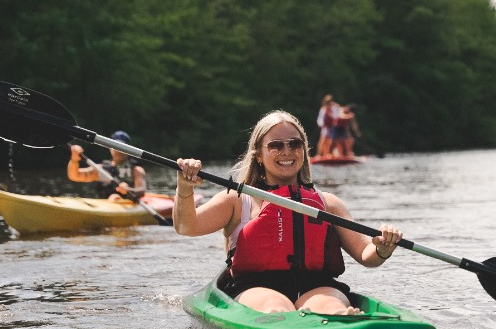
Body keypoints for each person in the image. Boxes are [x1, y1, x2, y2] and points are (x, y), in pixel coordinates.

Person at [173, 110, 403, 316]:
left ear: (304, 150)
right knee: (275, 307)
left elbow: (366, 254)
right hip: (255, 289)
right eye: (276, 145)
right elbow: (186, 227)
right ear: (259, 155)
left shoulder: (328, 203)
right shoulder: (236, 200)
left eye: (295, 144)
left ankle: (341, 324)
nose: (287, 151)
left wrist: (382, 248)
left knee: (332, 309)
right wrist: (185, 188)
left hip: (316, 288)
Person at [67, 131, 147, 199]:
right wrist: (74, 160)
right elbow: (74, 175)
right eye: (116, 146)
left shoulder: (136, 170)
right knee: (114, 198)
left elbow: (141, 190)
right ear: (110, 147)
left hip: (129, 205)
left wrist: (128, 190)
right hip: (106, 206)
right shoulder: (100, 169)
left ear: (129, 149)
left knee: (115, 197)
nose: (119, 150)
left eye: (122, 147)